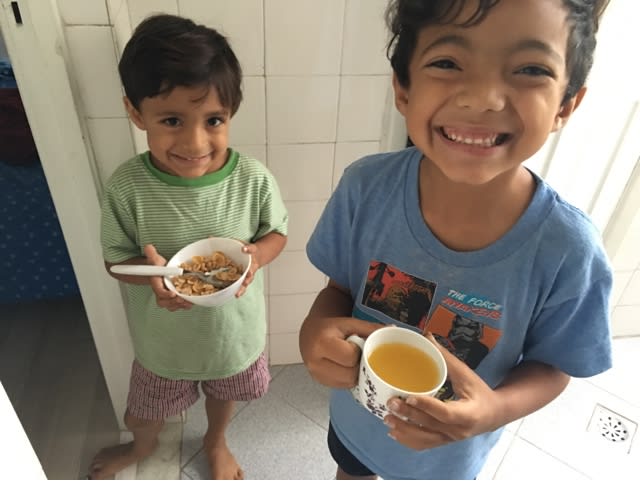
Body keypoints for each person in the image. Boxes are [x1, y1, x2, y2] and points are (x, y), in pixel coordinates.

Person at [299, 0, 612, 479]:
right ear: (403, 89)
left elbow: (553, 366)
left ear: (565, 105)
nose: (482, 99)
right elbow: (339, 289)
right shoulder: (365, 188)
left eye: (530, 69)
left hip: (446, 454)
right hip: (357, 422)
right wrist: (313, 332)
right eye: (447, 62)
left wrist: (494, 410)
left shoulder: (569, 250)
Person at [90, 14, 288, 480]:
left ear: (231, 112)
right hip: (163, 342)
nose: (195, 142)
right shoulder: (127, 186)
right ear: (136, 113)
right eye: (172, 120)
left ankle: (215, 441)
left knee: (224, 395)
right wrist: (151, 275)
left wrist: (256, 257)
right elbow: (115, 260)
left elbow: (276, 233)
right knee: (145, 411)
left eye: (214, 120)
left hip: (231, 334)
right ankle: (142, 446)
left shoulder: (252, 178)